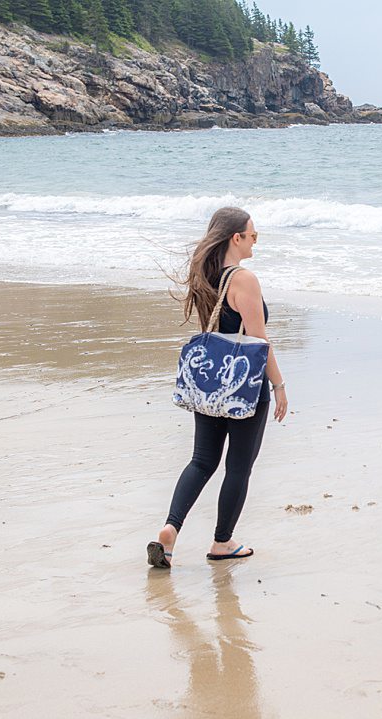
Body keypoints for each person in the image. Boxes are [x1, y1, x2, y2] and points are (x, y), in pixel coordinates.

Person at [147, 207, 288, 568]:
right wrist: (279, 385)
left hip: (209, 382)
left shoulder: (205, 275)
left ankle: (170, 529)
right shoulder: (244, 279)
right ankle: (222, 543)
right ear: (235, 238)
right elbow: (258, 340)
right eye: (253, 235)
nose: (256, 241)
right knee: (238, 467)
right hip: (243, 383)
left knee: (202, 460)